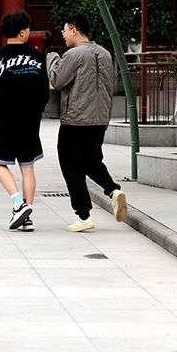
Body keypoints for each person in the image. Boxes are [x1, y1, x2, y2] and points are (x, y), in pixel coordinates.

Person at [47, 13, 128, 232]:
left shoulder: (74, 54)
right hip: (99, 119)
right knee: (91, 161)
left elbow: (56, 80)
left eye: (65, 31)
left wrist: (51, 59)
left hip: (76, 120)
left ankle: (83, 216)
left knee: (71, 167)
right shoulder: (105, 53)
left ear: (74, 30)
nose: (63, 35)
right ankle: (113, 190)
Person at [0, 10, 50, 231]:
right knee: (27, 166)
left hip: (6, 117)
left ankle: (19, 203)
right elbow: (44, 91)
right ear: (22, 32)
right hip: (31, 118)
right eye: (28, 29)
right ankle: (26, 216)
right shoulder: (37, 56)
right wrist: (37, 111)